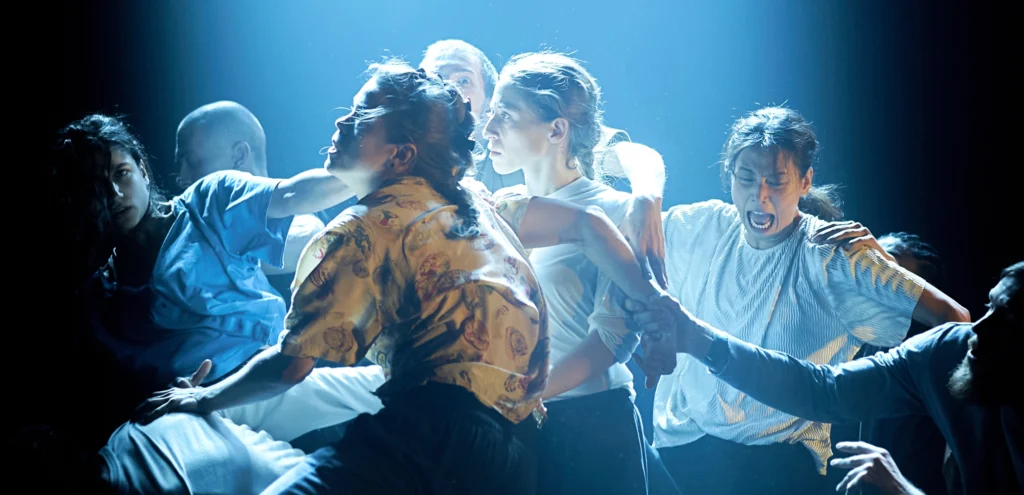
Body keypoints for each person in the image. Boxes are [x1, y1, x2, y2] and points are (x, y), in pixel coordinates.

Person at [133, 61, 658, 495]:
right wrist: (651, 300)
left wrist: (202, 399)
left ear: (402, 154)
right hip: (513, 454)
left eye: (363, 116)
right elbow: (587, 226)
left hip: (440, 432)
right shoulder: (478, 200)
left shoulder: (363, 231)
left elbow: (292, 365)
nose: (342, 122)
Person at [643, 106, 970, 494]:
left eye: (776, 181)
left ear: (805, 180)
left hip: (774, 467)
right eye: (746, 178)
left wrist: (960, 436)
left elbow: (956, 319)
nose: (759, 195)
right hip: (683, 450)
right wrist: (643, 196)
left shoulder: (832, 253)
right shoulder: (702, 225)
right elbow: (610, 236)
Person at [49, 113, 353, 443]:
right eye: (95, 186)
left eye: (121, 174)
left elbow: (296, 195)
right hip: (192, 426)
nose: (114, 193)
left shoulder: (209, 203)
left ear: (143, 170)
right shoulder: (96, 300)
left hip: (272, 388)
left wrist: (376, 170)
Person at [627, 260, 1023, 494]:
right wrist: (699, 341)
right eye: (988, 306)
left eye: (1005, 319)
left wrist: (903, 490)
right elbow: (824, 389)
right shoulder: (947, 351)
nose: (980, 327)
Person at [483, 51, 672, 495]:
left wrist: (524, 395)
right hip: (515, 415)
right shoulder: (503, 206)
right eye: (491, 112)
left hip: (591, 424)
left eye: (505, 115)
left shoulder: (613, 210)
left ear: (557, 129)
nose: (488, 128)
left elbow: (612, 340)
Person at [174, 100, 337, 300]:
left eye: (192, 161)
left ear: (239, 156)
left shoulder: (306, 221)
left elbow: (308, 242)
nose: (182, 176)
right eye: (179, 162)